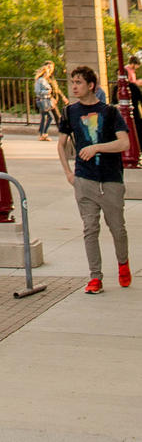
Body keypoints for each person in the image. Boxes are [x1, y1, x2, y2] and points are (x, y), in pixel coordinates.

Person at [58, 63, 131, 294]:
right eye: (73, 82)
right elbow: (61, 144)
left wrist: (96, 148)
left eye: (79, 82)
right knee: (90, 228)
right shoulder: (70, 112)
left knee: (117, 227)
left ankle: (123, 264)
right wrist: (68, 173)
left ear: (91, 85)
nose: (74, 87)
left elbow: (124, 143)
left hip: (110, 179)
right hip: (84, 179)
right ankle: (95, 277)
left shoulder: (110, 112)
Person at [34, 62, 56, 141]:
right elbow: (37, 91)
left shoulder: (45, 80)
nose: (49, 73)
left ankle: (42, 133)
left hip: (46, 100)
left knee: (44, 117)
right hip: (42, 100)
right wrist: (47, 92)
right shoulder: (40, 80)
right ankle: (44, 133)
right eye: (47, 72)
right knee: (50, 117)